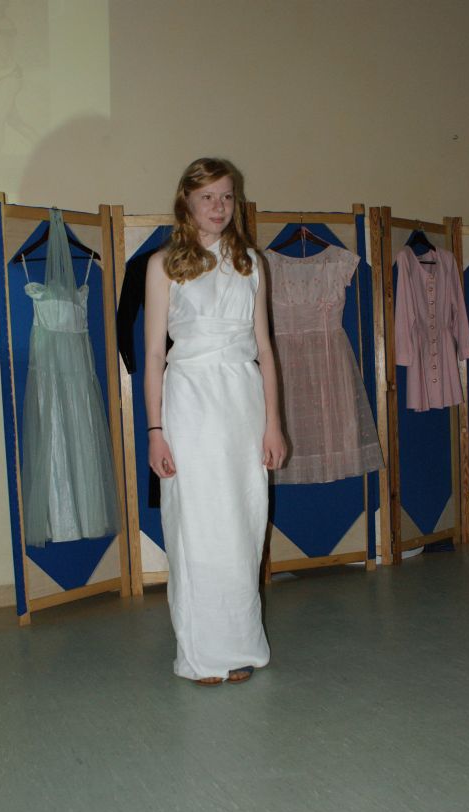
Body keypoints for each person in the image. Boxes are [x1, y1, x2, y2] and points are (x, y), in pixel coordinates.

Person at [144, 158, 287, 685]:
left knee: (243, 522)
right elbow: (153, 354)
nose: (219, 207)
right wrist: (155, 431)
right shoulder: (163, 264)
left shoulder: (252, 263)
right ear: (186, 201)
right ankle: (201, 653)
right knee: (198, 525)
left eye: (227, 196)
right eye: (207, 197)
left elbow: (265, 350)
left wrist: (274, 424)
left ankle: (240, 644)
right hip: (190, 401)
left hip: (241, 401)